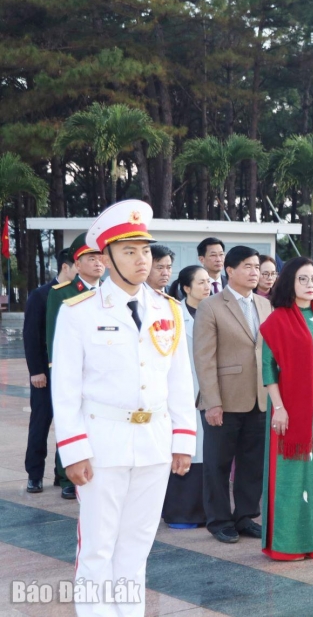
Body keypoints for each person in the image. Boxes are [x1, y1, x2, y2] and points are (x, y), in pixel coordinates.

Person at [51, 200, 197, 617]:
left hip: (154, 442)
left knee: (137, 545)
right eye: (129, 251)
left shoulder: (167, 309)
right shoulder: (79, 312)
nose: (141, 259)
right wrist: (73, 451)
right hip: (102, 443)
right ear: (107, 257)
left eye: (145, 250)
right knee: (98, 547)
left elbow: (179, 381)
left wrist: (183, 440)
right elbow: (66, 388)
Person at [260, 257, 313, 560]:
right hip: (289, 405)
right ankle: (285, 545)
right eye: (302, 279)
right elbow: (268, 367)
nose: (310, 285)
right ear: (289, 283)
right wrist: (279, 408)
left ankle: (312, 541)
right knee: (289, 473)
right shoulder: (278, 319)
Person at [194, 245, 272, 544]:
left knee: (252, 464)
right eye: (248, 267)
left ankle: (245, 516)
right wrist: (212, 402)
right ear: (230, 270)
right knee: (218, 464)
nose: (255, 273)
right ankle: (219, 520)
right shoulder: (211, 306)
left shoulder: (264, 304)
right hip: (224, 400)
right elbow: (204, 358)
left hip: (259, 397)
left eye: (257, 267)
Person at [45, 231, 106, 499]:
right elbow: (53, 335)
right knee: (70, 419)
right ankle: (65, 475)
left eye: (100, 258)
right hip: (73, 370)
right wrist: (56, 370)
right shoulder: (62, 293)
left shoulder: (109, 292)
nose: (98, 263)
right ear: (77, 264)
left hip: (101, 373)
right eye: (91, 258)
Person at [162, 266, 213, 528]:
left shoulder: (212, 311)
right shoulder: (174, 313)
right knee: (184, 452)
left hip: (209, 392)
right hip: (182, 391)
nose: (207, 287)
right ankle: (180, 513)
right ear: (186, 288)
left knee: (205, 454)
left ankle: (202, 511)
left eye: (209, 282)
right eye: (201, 282)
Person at [23, 247, 76, 495]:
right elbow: (31, 336)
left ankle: (61, 474)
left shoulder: (79, 295)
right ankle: (34, 475)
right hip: (45, 373)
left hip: (69, 372)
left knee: (68, 424)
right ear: (66, 267)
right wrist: (36, 370)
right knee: (41, 424)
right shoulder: (41, 295)